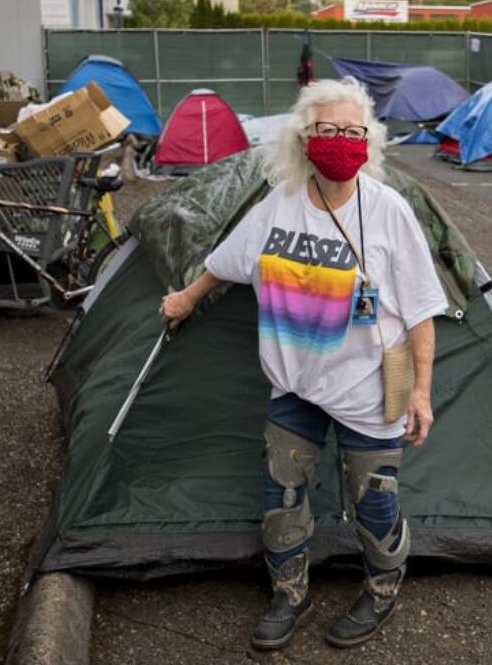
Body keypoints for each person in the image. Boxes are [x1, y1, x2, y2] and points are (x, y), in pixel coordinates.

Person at [159, 78, 446, 650]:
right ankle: (290, 592)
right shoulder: (279, 204)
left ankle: (382, 590)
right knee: (282, 500)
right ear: (303, 137)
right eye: (328, 130)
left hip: (369, 390)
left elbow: (421, 314)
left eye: (352, 131)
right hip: (294, 388)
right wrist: (188, 297)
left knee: (376, 502)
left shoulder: (388, 211)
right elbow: (226, 261)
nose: (340, 141)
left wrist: (421, 394)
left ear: (370, 139)